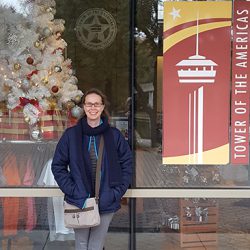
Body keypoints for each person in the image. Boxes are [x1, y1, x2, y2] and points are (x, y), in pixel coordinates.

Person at [51, 88, 132, 250]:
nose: (93, 108)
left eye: (96, 104)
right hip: (79, 200)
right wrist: (72, 189)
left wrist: (116, 192)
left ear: (102, 107)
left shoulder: (114, 135)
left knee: (96, 245)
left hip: (106, 200)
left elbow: (127, 164)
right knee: (81, 245)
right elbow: (58, 165)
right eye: (89, 104)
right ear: (84, 107)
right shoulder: (71, 135)